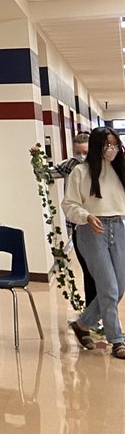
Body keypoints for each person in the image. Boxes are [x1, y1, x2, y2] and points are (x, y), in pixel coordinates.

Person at [64, 127, 125, 358]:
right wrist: (87, 217)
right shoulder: (80, 172)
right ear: (97, 146)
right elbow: (69, 205)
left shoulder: (120, 169)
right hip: (92, 230)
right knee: (108, 288)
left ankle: (82, 325)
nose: (111, 150)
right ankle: (117, 340)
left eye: (115, 145)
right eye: (107, 145)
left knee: (118, 288)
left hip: (118, 228)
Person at [48, 132, 96, 314]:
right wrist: (36, 158)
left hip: (98, 224)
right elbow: (47, 173)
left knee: (100, 272)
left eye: (85, 152)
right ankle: (91, 311)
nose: (81, 156)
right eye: (78, 152)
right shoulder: (70, 165)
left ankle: (99, 311)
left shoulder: (100, 167)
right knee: (87, 269)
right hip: (77, 225)